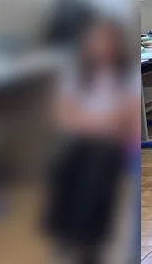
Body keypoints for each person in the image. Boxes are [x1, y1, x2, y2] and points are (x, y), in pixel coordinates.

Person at [45, 17, 135, 264]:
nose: (103, 47)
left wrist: (91, 121)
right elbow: (63, 114)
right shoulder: (76, 72)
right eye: (97, 41)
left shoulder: (126, 74)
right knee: (61, 167)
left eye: (108, 41)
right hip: (83, 137)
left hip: (113, 142)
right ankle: (64, 232)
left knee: (95, 179)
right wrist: (96, 123)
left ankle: (89, 241)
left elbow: (125, 118)